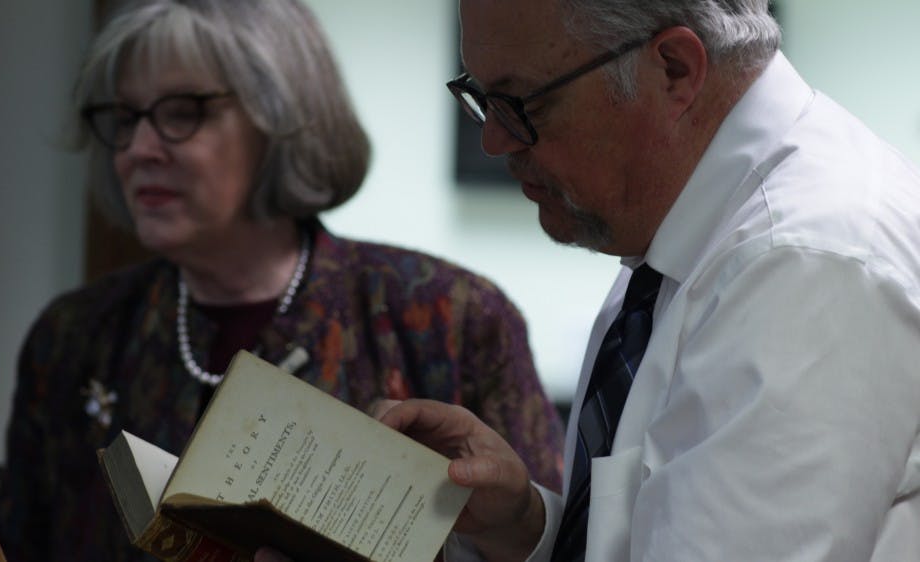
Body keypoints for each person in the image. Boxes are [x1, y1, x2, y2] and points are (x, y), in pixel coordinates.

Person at [0, 1, 564, 560]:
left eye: (182, 113)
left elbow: (549, 544)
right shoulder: (76, 336)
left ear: (282, 120)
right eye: (123, 119)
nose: (138, 149)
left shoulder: (449, 316)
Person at [375, 0, 920, 561]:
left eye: (523, 103)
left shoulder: (802, 263)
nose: (495, 141)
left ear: (674, 69)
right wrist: (526, 528)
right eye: (483, 97)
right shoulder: (697, 227)